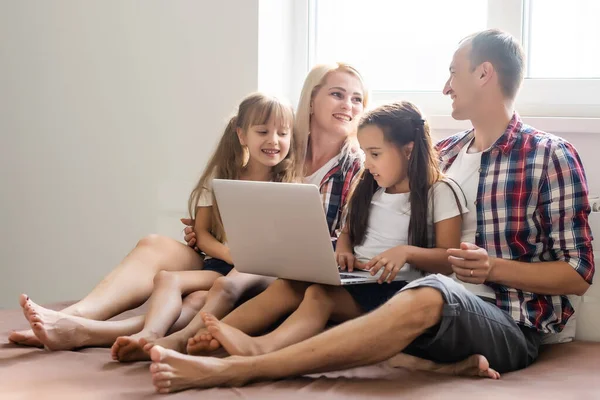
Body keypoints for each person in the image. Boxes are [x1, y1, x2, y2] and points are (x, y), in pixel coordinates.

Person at [146, 29, 594, 394]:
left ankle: (242, 369)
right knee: (311, 287)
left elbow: (577, 273)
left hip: (507, 321)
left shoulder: (548, 155)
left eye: (453, 73)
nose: (445, 86)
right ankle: (184, 344)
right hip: (421, 295)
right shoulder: (442, 154)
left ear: (484, 74)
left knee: (432, 291)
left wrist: (491, 267)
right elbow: (378, 197)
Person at [18, 92, 303, 358]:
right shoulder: (223, 178)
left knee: (196, 301)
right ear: (241, 135)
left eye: (282, 133)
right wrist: (230, 254)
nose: (274, 141)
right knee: (176, 283)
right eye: (263, 132)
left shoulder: (291, 184)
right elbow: (203, 235)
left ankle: (93, 332)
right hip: (221, 263)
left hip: (252, 273)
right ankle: (79, 320)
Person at [194, 101, 468, 360]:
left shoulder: (439, 192)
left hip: (396, 291)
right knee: (289, 283)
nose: (368, 163)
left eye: (375, 154)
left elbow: (448, 259)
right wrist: (344, 248)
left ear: (408, 150)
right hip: (357, 279)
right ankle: (205, 335)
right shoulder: (370, 187)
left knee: (318, 295)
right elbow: (347, 231)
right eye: (365, 154)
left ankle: (261, 347)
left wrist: (406, 253)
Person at [178, 62, 370, 355]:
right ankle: (155, 336)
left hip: (296, 271)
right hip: (253, 261)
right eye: (337, 94)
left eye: (357, 99)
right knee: (195, 295)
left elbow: (348, 239)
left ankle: (183, 340)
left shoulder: (357, 166)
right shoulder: (281, 148)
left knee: (221, 289)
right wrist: (215, 225)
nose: (349, 105)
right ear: (311, 100)